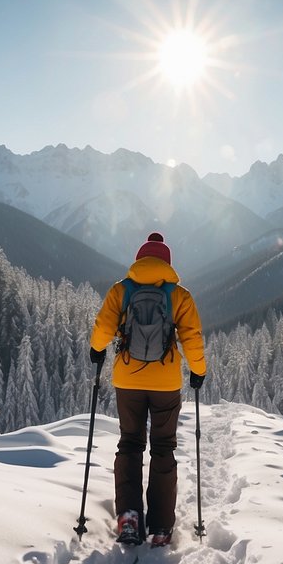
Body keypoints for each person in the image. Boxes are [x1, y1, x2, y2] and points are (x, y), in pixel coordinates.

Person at [89, 232, 206, 547]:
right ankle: (161, 527)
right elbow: (192, 337)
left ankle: (129, 518)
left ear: (140, 260)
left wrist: (97, 350)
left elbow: (102, 328)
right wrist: (198, 371)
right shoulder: (179, 295)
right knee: (163, 447)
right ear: (165, 263)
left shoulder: (121, 290)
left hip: (127, 380)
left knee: (129, 444)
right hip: (166, 383)